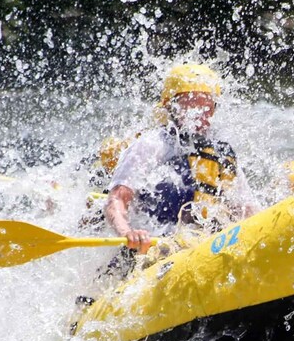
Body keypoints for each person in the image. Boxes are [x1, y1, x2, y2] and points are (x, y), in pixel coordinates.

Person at [104, 63, 255, 256]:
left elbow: (248, 208)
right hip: (154, 247)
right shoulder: (152, 144)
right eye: (191, 104)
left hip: (205, 245)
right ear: (171, 106)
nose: (200, 114)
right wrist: (127, 232)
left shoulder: (220, 152)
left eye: (207, 106)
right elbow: (116, 199)